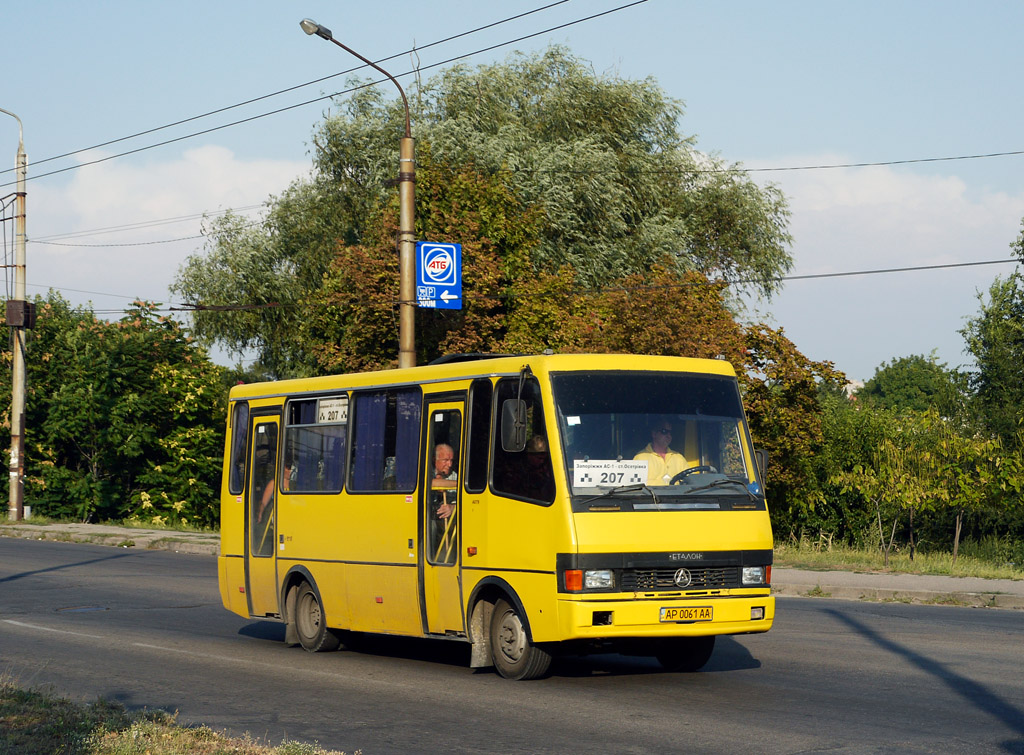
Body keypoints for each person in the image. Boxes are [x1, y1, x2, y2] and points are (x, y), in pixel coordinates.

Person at [634, 418, 688, 485]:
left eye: (670, 432)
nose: (668, 436)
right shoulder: (640, 457)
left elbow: (690, 482)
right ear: (654, 434)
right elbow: (636, 486)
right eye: (664, 431)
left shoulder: (679, 458)